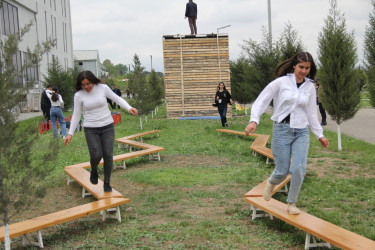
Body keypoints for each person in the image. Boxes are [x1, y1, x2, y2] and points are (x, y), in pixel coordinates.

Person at [245, 52, 329, 215]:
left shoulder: (310, 86)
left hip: (301, 132)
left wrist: (320, 134)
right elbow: (262, 100)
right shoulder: (281, 82)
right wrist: (254, 120)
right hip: (281, 130)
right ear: (294, 66)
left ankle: (291, 203)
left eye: (307, 68)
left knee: (299, 168)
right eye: (301, 67)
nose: (304, 71)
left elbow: (312, 113)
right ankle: (271, 183)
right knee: (282, 170)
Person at [64, 71, 138, 192]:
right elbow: (76, 115)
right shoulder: (79, 95)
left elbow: (117, 99)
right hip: (90, 129)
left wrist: (129, 108)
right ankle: (93, 170)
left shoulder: (103, 88)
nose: (86, 87)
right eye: (83, 85)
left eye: (88, 83)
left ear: (93, 81)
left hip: (107, 126)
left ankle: (107, 183)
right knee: (96, 154)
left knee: (108, 155)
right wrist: (70, 134)